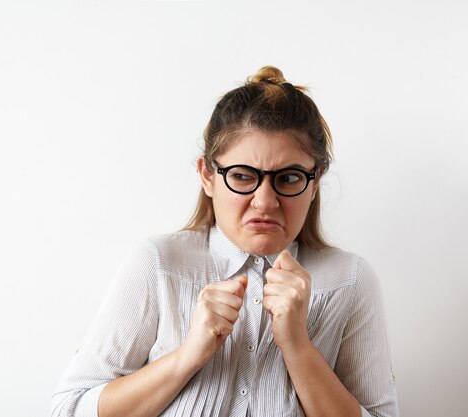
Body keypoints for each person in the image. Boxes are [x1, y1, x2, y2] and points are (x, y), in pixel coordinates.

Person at [51, 66, 399, 417]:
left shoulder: (351, 280)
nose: (265, 201)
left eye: (290, 177)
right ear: (207, 175)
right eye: (243, 176)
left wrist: (298, 346)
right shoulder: (158, 264)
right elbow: (68, 409)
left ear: (315, 181)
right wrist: (188, 356)